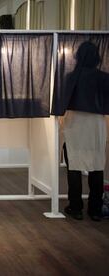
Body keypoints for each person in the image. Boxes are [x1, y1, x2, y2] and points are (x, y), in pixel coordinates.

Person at [61, 41, 109, 222]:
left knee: (74, 164)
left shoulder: (71, 77)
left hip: (75, 122)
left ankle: (76, 207)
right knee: (97, 165)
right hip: (96, 122)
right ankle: (95, 209)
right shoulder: (104, 77)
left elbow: (63, 102)